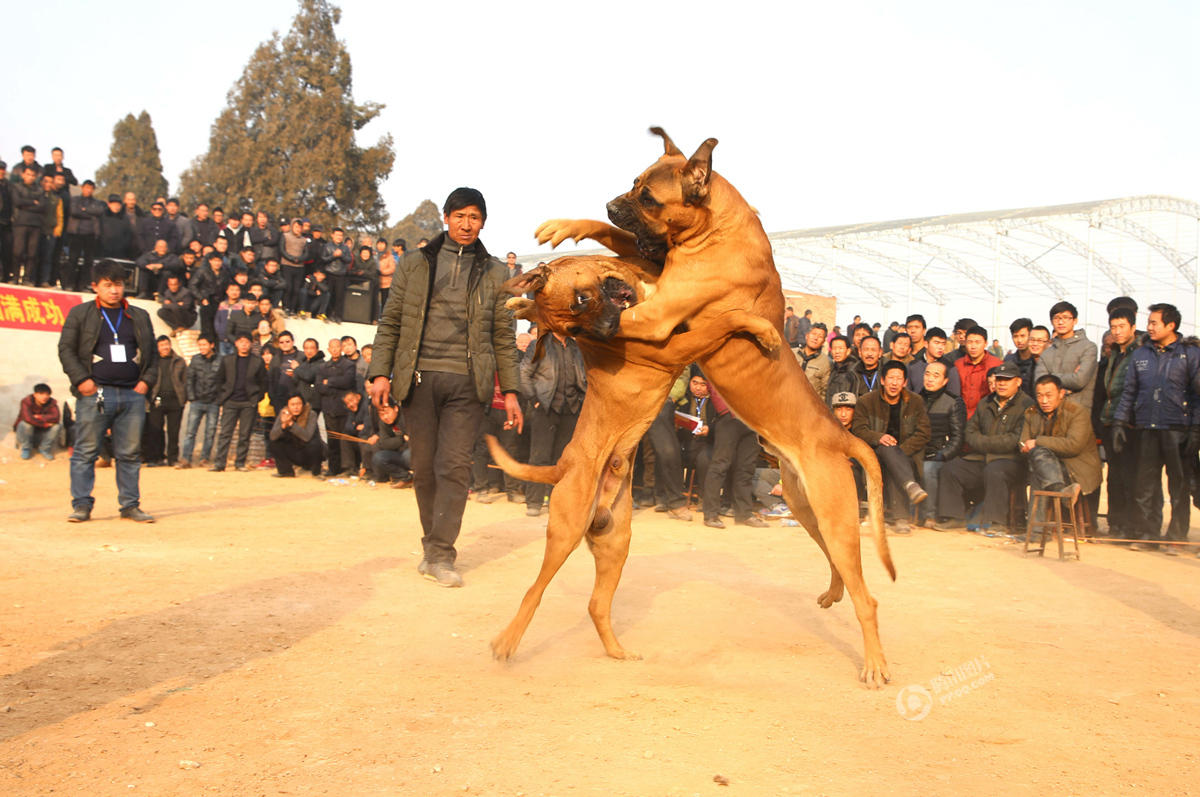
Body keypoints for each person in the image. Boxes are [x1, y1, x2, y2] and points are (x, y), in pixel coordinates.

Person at [367, 187, 523, 588]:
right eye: (460, 216)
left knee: (454, 467)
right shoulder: (416, 265)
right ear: (446, 218)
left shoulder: (495, 272)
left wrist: (512, 391)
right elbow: (392, 321)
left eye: (474, 217)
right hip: (418, 380)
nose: (466, 224)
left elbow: (504, 337)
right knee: (425, 470)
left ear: (483, 222)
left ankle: (440, 554)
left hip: (468, 385)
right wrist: (379, 373)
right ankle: (430, 547)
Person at [57, 259, 157, 522]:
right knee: (86, 452)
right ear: (96, 287)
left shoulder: (140, 315)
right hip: (95, 394)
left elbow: (152, 354)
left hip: (132, 395)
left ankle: (130, 505)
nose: (114, 290)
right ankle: (81, 505)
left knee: (130, 454)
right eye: (108, 285)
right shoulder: (80, 313)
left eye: (119, 285)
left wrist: (145, 382)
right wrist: (81, 381)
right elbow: (66, 349)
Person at [1113, 303, 1200, 554]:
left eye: (1154, 323)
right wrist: (1120, 422)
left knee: (1179, 486)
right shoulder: (1141, 354)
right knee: (1145, 486)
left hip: (1178, 429)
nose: (1149, 327)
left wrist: (1195, 429)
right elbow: (1130, 392)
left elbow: (1197, 396)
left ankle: (1176, 536)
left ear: (1170, 326)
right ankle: (1148, 534)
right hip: (1146, 428)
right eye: (1149, 322)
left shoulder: (1189, 354)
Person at [935, 361, 1033, 534]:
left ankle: (997, 523)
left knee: (995, 470)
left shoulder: (1027, 405)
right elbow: (970, 432)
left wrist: (985, 442)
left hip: (1012, 461)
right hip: (982, 458)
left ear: (1018, 382)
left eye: (1007, 380)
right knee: (951, 469)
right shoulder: (985, 402)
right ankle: (954, 517)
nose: (1001, 383)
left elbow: (1014, 440)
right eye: (999, 379)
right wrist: (986, 443)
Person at [851, 360, 930, 534]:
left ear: (905, 382)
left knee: (893, 459)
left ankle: (899, 517)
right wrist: (879, 437)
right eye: (891, 378)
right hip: (874, 452)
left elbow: (923, 433)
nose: (894, 383)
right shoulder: (866, 401)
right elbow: (858, 429)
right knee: (887, 451)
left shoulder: (915, 401)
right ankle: (904, 505)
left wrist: (899, 452)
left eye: (898, 379)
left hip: (906, 453)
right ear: (882, 381)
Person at [520, 331, 587, 516]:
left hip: (571, 410)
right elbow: (524, 373)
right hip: (545, 408)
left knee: (563, 460)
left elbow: (584, 377)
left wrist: (581, 400)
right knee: (539, 457)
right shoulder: (539, 345)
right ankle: (533, 501)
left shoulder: (576, 347)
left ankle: (557, 502)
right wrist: (534, 400)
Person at [1094, 306, 1146, 541]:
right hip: (1110, 421)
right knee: (1115, 475)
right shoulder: (1114, 353)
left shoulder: (1142, 352)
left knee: (1132, 476)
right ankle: (1117, 524)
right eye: (1113, 327)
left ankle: (1134, 526)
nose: (1117, 331)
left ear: (1133, 327)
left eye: (1122, 326)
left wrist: (1127, 419)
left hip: (1131, 424)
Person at [1019, 374, 1102, 500]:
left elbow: (1073, 446)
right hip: (1045, 466)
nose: (1044, 401)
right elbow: (1023, 443)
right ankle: (1061, 493)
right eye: (1039, 396)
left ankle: (1038, 518)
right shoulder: (1032, 412)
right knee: (1039, 462)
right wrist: (1028, 446)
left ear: (1061, 394)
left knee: (1039, 459)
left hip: (1075, 467)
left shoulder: (1077, 412)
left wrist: (1038, 442)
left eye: (1049, 395)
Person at [702, 383, 766, 529]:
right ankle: (711, 514)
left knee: (746, 467)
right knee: (720, 465)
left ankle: (745, 514)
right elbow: (713, 380)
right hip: (729, 415)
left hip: (754, 418)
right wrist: (724, 410)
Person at [210, 333, 267, 472]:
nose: (244, 345)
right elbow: (219, 379)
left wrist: (256, 398)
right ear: (236, 343)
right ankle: (220, 463)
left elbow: (264, 382)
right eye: (241, 342)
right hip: (230, 401)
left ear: (251, 344)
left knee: (244, 435)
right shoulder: (227, 360)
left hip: (248, 403)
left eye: (247, 342)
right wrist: (222, 397)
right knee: (225, 434)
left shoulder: (257, 361)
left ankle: (240, 463)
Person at [918, 361, 965, 527]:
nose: (930, 379)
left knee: (928, 469)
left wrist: (943, 454)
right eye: (927, 374)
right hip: (918, 452)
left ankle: (929, 516)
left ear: (945, 381)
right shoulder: (916, 399)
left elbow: (958, 437)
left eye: (936, 376)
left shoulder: (953, 402)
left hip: (940, 454)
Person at [1035, 301, 1098, 413]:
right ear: (1052, 321)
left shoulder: (1088, 347)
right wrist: (1069, 381)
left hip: (1079, 412)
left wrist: (1050, 377)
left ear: (1075, 321)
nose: (1061, 322)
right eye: (1056, 318)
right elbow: (1039, 382)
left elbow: (1079, 380)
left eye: (1065, 317)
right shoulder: (1047, 353)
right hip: (1051, 413)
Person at [178, 334, 222, 469]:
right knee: (190, 432)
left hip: (213, 402)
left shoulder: (221, 360)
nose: (202, 347)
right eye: (200, 345)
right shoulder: (195, 360)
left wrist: (219, 399)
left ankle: (205, 458)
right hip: (197, 401)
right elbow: (189, 379)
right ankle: (186, 459)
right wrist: (191, 397)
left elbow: (223, 381)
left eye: (204, 345)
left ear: (212, 345)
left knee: (210, 432)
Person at [143, 336, 188, 467]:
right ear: (157, 347)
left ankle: (172, 459)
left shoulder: (179, 361)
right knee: (155, 430)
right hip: (157, 399)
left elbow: (185, 380)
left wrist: (184, 397)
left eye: (167, 344)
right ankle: (155, 458)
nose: (165, 347)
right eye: (162, 345)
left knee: (174, 431)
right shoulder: (153, 362)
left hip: (175, 400)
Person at [316, 337, 357, 475]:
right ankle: (333, 469)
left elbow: (347, 382)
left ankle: (348, 468)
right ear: (328, 349)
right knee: (332, 440)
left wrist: (330, 382)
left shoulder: (348, 365)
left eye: (337, 347)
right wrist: (334, 386)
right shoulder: (322, 367)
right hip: (329, 408)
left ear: (341, 349)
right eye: (332, 347)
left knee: (345, 439)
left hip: (344, 408)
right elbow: (319, 386)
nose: (334, 350)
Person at [268, 394, 325, 477]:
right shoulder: (283, 413)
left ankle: (316, 472)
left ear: (303, 405)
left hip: (310, 451)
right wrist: (283, 425)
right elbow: (272, 436)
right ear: (288, 406)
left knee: (315, 443)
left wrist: (291, 424)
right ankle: (285, 471)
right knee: (274, 443)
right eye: (293, 405)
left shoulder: (311, 414)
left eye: (298, 404)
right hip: (293, 451)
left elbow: (307, 437)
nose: (296, 407)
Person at [955, 325, 1002, 418]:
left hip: (988, 417)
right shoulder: (958, 365)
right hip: (962, 417)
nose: (973, 346)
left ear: (985, 343)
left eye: (977, 342)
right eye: (970, 342)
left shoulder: (997, 364)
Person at [14, 383, 61, 460]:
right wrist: (45, 424)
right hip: (24, 434)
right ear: (35, 395)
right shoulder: (26, 401)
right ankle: (26, 448)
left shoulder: (52, 402)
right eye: (41, 394)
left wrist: (40, 417)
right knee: (27, 424)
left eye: (47, 394)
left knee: (57, 426)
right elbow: (28, 418)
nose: (44, 397)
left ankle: (44, 448)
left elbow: (56, 417)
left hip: (40, 434)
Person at [796, 322, 829, 398]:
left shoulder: (826, 362)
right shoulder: (792, 353)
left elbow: (824, 392)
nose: (816, 338)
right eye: (813, 334)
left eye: (820, 336)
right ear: (807, 336)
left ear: (823, 341)